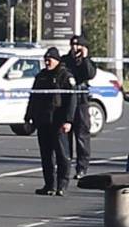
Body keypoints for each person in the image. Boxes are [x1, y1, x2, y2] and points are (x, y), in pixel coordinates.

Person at [27, 47, 79, 197]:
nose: (47, 62)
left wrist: (68, 121)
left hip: (59, 122)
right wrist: (28, 117)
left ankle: (62, 185)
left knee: (62, 154)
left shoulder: (65, 76)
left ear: (57, 60)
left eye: (50, 59)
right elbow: (34, 98)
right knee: (46, 155)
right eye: (46, 59)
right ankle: (49, 184)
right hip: (43, 121)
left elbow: (71, 100)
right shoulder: (41, 76)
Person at [64, 34, 98, 179]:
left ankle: (82, 168)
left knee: (82, 135)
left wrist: (84, 59)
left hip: (81, 101)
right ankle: (65, 166)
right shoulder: (65, 60)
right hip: (67, 101)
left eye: (78, 45)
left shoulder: (87, 62)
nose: (75, 48)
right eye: (73, 45)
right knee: (65, 136)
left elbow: (90, 74)